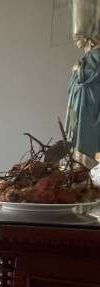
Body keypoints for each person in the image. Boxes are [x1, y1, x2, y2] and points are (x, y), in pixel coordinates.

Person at [65, 0, 100, 168]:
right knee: (78, 134)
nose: (75, 41)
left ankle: (87, 167)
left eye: (78, 37)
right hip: (81, 106)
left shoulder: (96, 55)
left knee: (87, 137)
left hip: (90, 106)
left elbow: (90, 74)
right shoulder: (88, 56)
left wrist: (78, 70)